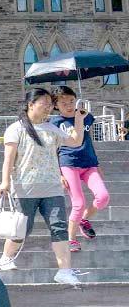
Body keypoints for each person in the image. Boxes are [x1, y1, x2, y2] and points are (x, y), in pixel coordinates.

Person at [0, 88, 85, 285]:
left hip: (52, 188)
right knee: (22, 229)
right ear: (31, 104)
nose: (48, 107)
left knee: (59, 227)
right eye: (43, 103)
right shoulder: (16, 129)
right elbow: (8, 160)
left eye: (49, 104)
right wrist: (5, 182)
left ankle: (65, 270)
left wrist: (79, 118)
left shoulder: (51, 128)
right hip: (25, 187)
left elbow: (76, 141)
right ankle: (6, 257)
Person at [52, 86, 110, 252]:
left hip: (89, 164)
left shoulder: (86, 116)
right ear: (56, 105)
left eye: (71, 101)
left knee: (103, 197)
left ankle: (84, 220)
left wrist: (96, 163)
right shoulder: (55, 123)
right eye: (64, 103)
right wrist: (59, 173)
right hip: (68, 164)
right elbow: (52, 149)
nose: (69, 105)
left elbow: (88, 141)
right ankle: (71, 239)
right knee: (78, 202)